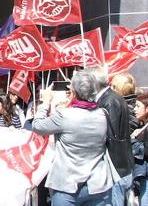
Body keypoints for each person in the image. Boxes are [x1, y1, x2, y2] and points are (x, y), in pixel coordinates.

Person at [33, 70, 117, 206]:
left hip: (67, 185)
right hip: (97, 184)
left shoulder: (64, 115)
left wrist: (45, 102)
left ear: (73, 92)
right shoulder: (103, 114)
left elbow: (37, 126)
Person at [92, 66, 134, 206]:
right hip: (119, 166)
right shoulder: (112, 98)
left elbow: (110, 134)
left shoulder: (109, 100)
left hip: (115, 168)